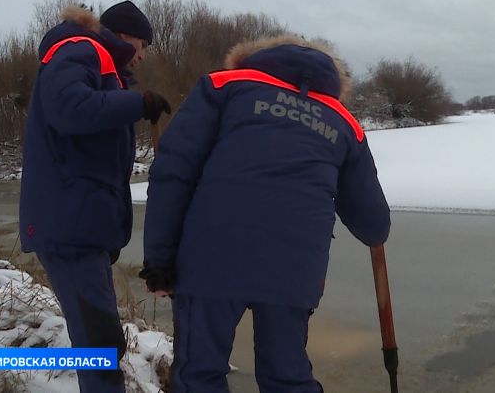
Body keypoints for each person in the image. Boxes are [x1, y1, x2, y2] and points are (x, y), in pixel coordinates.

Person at [141, 34, 391, 392]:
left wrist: (160, 261)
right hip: (295, 268)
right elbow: (374, 226)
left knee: (199, 374)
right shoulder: (342, 120)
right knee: (286, 378)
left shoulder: (222, 86)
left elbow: (172, 173)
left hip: (212, 257)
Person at [19, 0, 170, 393]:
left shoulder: (102, 66)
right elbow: (69, 108)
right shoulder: (80, 48)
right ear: (126, 35)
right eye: (144, 44)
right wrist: (138, 104)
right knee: (99, 346)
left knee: (101, 343)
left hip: (82, 228)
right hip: (70, 228)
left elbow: (98, 161)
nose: (143, 54)